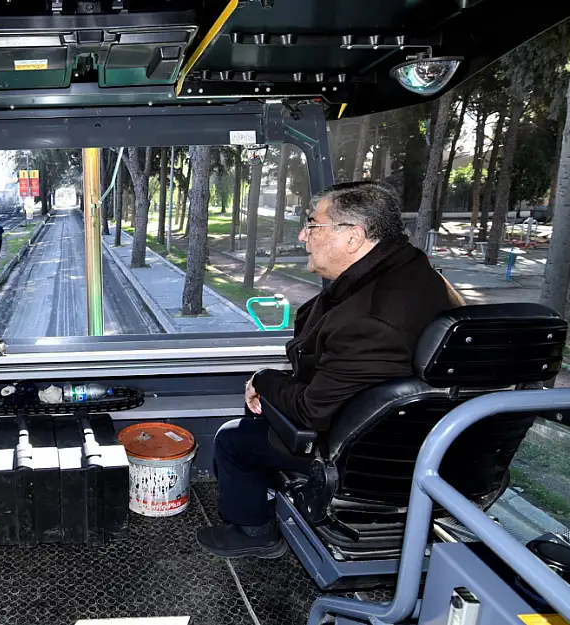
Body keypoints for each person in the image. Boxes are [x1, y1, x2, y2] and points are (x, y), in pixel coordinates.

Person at [196, 180, 465, 559]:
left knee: (233, 439)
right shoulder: (417, 276)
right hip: (427, 443)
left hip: (366, 458)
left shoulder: (372, 319)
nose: (304, 236)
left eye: (312, 225)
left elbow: (310, 412)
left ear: (353, 237)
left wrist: (262, 379)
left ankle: (254, 532)